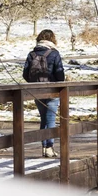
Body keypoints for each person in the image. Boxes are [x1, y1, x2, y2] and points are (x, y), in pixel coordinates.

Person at [23, 29, 65, 158]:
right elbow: (60, 74)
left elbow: (25, 74)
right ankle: (49, 147)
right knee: (51, 119)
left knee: (43, 119)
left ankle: (44, 147)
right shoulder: (54, 54)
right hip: (52, 91)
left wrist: (35, 84)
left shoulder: (31, 54)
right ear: (52, 39)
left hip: (37, 92)